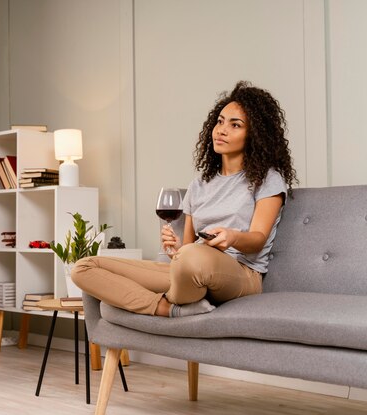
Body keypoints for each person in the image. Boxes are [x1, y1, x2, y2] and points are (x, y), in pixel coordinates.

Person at [72, 81, 297, 317]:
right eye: (219, 121)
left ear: (254, 136)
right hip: (192, 268)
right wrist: (175, 251)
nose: (221, 130)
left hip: (242, 274)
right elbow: (188, 248)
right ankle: (168, 309)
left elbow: (258, 240)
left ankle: (170, 297)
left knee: (190, 258)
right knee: (84, 268)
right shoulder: (198, 186)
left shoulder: (267, 179)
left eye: (235, 125)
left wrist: (232, 237)